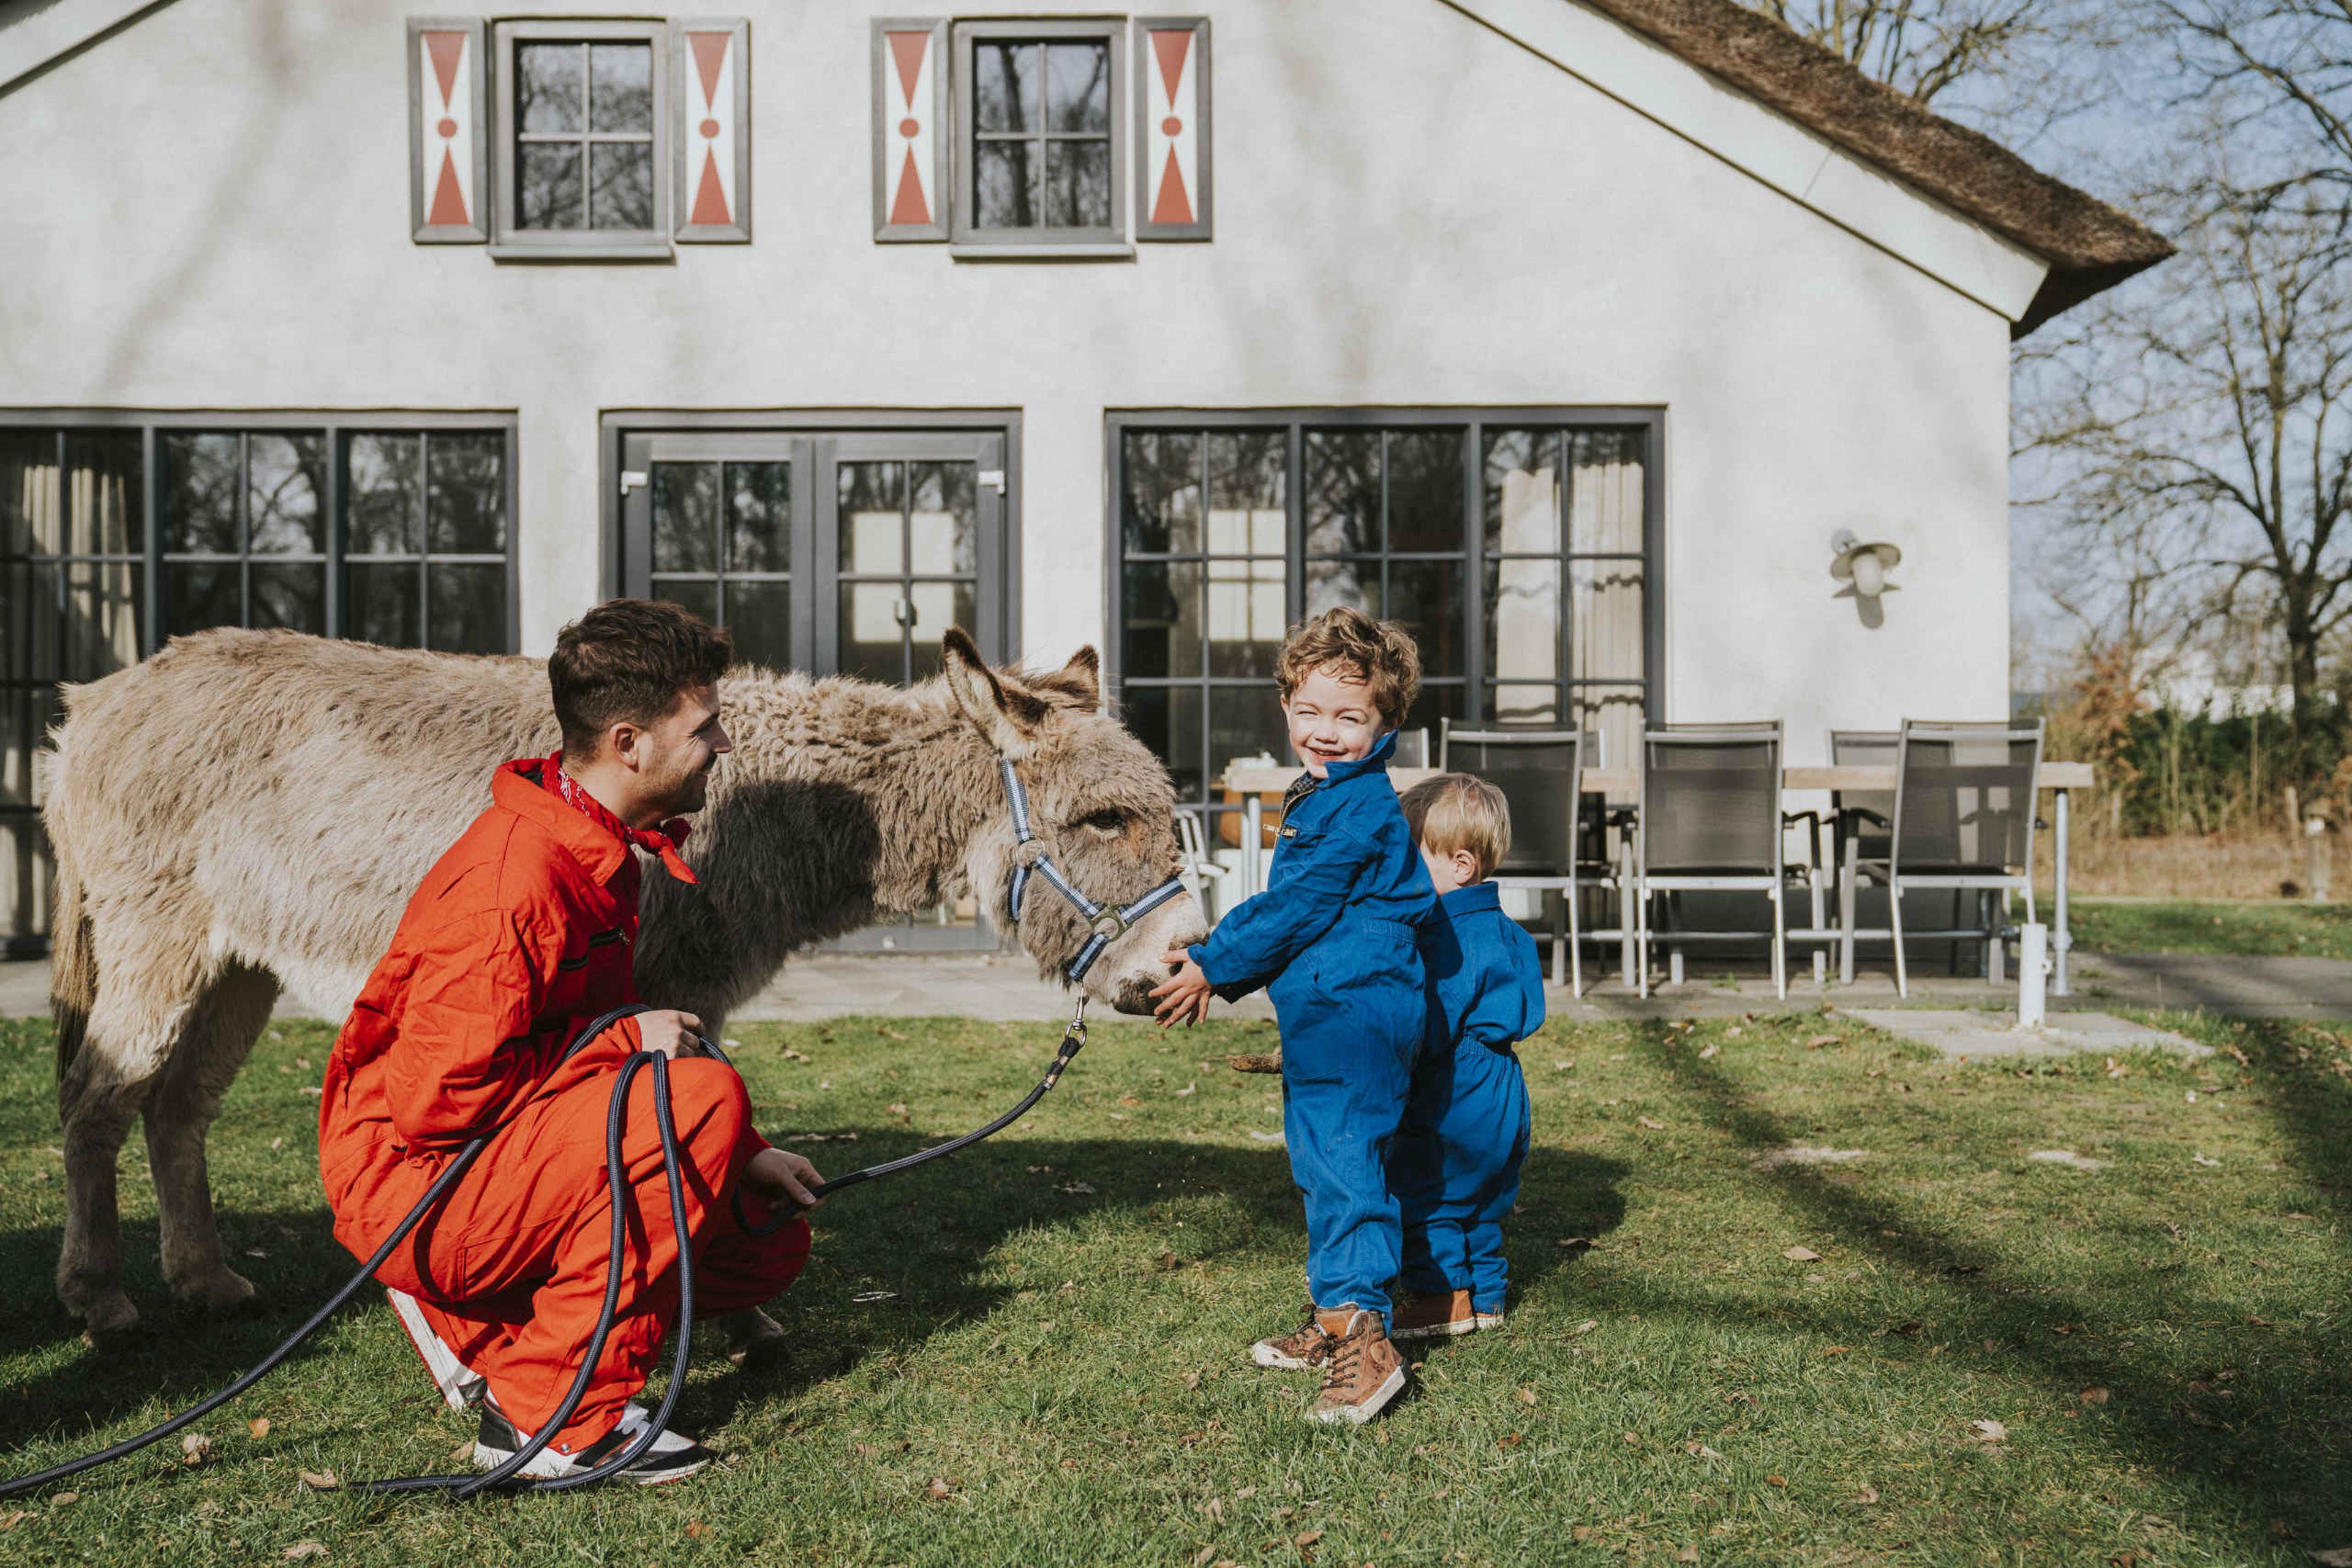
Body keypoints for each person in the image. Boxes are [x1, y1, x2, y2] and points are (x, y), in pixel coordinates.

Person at [316, 599, 824, 1485]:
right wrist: (627, 1041)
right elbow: (440, 1103)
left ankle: (497, 1326)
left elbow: (573, 1035)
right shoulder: (515, 878)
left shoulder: (591, 847)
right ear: (630, 744)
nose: (724, 748)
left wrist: (744, 1158)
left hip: (475, 1167)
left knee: (761, 1237)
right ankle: (548, 1415)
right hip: (418, 1187)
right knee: (697, 1098)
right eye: (706, 729)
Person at [1151, 606, 1435, 1425]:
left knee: (1346, 1166)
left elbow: (1296, 907)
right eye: (1309, 712)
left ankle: (1367, 1345)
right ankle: (1335, 1316)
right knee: (1321, 1163)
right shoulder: (1322, 792)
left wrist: (1215, 962)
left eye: (1350, 717)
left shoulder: (1355, 808)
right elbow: (1295, 909)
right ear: (1285, 708)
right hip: (1326, 1011)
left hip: (1360, 1012)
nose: (1325, 731)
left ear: (1386, 722)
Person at [1386, 774, 1545, 1342]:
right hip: (1504, 1082)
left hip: (1458, 1082)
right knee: (1482, 1196)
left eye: (1413, 862)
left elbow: (1431, 1020)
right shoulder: (1510, 932)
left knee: (1429, 1188)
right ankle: (1488, 1295)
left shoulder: (1448, 938)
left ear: (1460, 866)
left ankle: (1441, 1297)